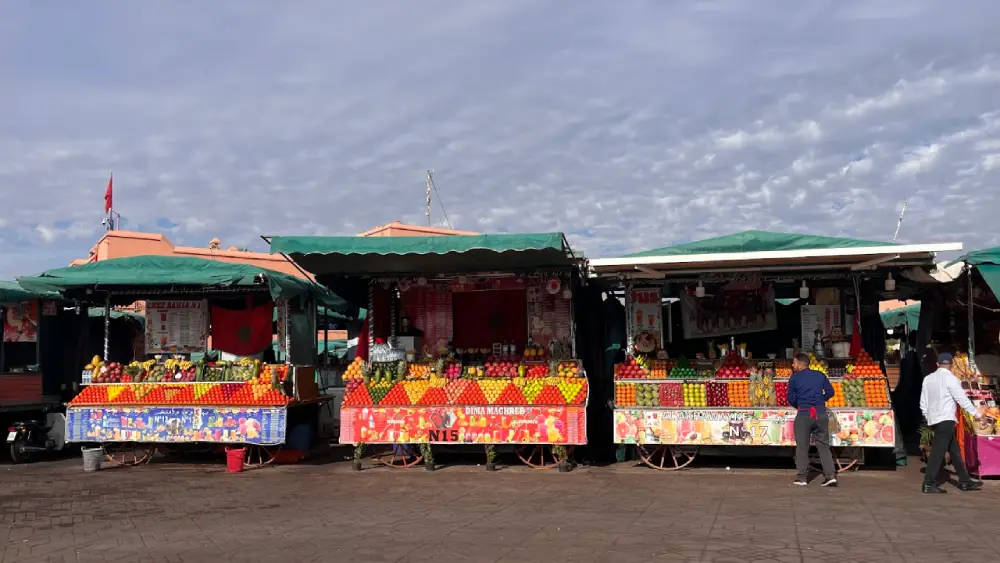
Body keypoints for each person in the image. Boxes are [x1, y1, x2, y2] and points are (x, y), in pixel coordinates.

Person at [919, 352, 983, 493]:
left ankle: (965, 481)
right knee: (938, 452)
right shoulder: (951, 379)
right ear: (951, 365)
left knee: (954, 451)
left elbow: (923, 403)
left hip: (935, 419)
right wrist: (976, 413)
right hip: (946, 419)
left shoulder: (928, 379)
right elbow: (961, 399)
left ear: (937, 364)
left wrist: (929, 416)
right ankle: (928, 483)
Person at [787, 351, 837, 487]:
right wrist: (820, 401)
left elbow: (790, 398)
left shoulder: (794, 378)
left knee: (802, 447)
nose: (792, 365)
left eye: (794, 363)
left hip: (804, 414)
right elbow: (831, 392)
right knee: (823, 446)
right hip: (820, 413)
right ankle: (830, 476)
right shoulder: (820, 375)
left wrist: (800, 405)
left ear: (800, 364)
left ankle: (802, 477)